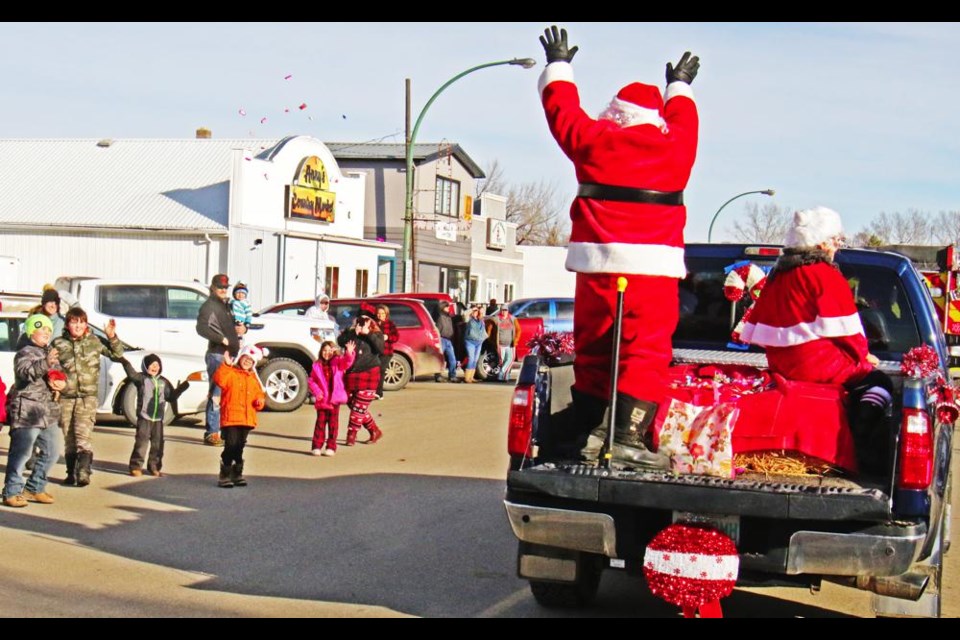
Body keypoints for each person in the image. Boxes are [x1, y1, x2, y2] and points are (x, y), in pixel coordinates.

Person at [537, 25, 699, 468]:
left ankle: (587, 424)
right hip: (652, 269)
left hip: (597, 267)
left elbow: (562, 112)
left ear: (615, 114)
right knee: (643, 349)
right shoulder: (675, 150)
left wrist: (559, 66)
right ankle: (625, 436)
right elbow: (686, 121)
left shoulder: (593, 140)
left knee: (594, 343)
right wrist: (679, 87)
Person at [740, 207, 893, 474]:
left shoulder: (779, 276)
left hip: (782, 364)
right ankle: (859, 438)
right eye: (837, 241)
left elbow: (757, 325)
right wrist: (863, 355)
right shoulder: (824, 274)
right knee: (879, 381)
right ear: (822, 243)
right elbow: (845, 328)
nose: (837, 248)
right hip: (819, 365)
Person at [52, 307, 124, 487]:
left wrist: (112, 336)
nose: (78, 326)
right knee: (69, 438)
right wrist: (54, 379)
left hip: (87, 398)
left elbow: (117, 354)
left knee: (82, 436)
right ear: (67, 324)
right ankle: (71, 473)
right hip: (67, 397)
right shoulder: (58, 344)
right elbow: (50, 368)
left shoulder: (94, 341)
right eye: (74, 322)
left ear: (86, 324)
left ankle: (83, 472)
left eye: (81, 322)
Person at [2, 314, 64, 508]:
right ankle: (12, 491)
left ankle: (35, 487)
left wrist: (61, 383)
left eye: (48, 329)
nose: (46, 333)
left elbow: (60, 375)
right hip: (28, 411)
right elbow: (25, 372)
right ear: (31, 333)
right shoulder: (25, 352)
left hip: (47, 412)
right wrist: (45, 363)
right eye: (41, 329)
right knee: (22, 453)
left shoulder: (49, 353)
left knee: (53, 451)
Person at [121, 354, 190, 477]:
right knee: (141, 442)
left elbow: (171, 397)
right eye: (152, 365)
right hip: (144, 417)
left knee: (158, 444)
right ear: (145, 366)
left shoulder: (164, 381)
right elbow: (131, 374)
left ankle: (154, 467)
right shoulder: (141, 378)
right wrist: (123, 361)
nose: (155, 367)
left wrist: (184, 386)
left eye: (157, 365)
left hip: (158, 419)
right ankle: (136, 466)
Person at [195, 273, 241, 447]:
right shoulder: (209, 305)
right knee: (216, 394)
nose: (223, 290)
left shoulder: (225, 305)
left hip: (229, 356)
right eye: (220, 287)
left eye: (225, 287)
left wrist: (239, 330)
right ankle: (212, 433)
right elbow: (201, 328)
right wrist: (221, 339)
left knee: (227, 395)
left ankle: (223, 430)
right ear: (213, 288)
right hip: (217, 355)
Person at [212, 344, 267, 487]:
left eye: (251, 360)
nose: (247, 361)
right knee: (230, 444)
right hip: (230, 417)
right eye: (245, 358)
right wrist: (226, 365)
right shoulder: (230, 373)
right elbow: (219, 379)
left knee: (240, 446)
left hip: (246, 418)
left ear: (254, 363)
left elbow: (259, 394)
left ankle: (237, 473)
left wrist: (259, 402)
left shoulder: (253, 378)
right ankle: (225, 473)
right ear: (240, 358)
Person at [337, 303, 384, 446]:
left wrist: (367, 333)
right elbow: (340, 341)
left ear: (371, 321)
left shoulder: (376, 334)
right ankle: (374, 430)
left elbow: (380, 349)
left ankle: (351, 435)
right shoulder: (352, 332)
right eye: (360, 319)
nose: (362, 322)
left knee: (359, 407)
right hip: (351, 375)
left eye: (366, 320)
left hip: (369, 373)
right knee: (354, 405)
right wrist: (353, 332)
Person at [308, 340, 355, 457]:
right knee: (320, 424)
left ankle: (331, 446)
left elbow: (347, 362)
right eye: (324, 350)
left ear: (334, 352)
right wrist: (317, 392)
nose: (327, 353)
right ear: (321, 352)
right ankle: (317, 446)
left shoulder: (338, 362)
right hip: (322, 399)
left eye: (330, 350)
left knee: (333, 425)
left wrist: (349, 353)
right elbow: (311, 381)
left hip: (334, 400)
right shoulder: (316, 365)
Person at [487, 305, 522, 382]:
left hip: (510, 344)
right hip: (500, 344)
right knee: (501, 361)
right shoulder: (496, 319)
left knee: (510, 359)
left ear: (508, 311)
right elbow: (489, 329)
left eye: (505, 310)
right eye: (502, 310)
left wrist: (516, 340)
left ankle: (502, 373)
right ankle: (504, 376)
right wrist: (491, 340)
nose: (504, 312)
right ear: (500, 310)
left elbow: (519, 330)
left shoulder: (513, 319)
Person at [375, 304, 399, 398]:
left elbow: (396, 337)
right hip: (376, 351)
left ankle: (379, 393)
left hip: (386, 352)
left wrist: (388, 337)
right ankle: (373, 391)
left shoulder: (390, 324)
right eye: (378, 313)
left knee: (381, 370)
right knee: (375, 371)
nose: (380, 315)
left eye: (382, 313)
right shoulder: (374, 323)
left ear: (386, 314)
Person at [436, 300, 460, 383]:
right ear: (443, 308)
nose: (449, 308)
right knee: (440, 358)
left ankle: (452, 375)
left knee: (452, 359)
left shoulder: (449, 317)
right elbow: (438, 330)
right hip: (442, 339)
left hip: (449, 340)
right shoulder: (440, 317)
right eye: (447, 307)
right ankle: (438, 375)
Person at [463, 305, 487, 383]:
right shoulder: (469, 319)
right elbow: (464, 314)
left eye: (477, 311)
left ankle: (471, 377)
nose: (476, 312)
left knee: (475, 360)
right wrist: (473, 309)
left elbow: (483, 331)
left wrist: (481, 311)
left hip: (479, 342)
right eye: (475, 311)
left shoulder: (481, 320)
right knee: (471, 359)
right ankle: (467, 378)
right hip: (470, 342)